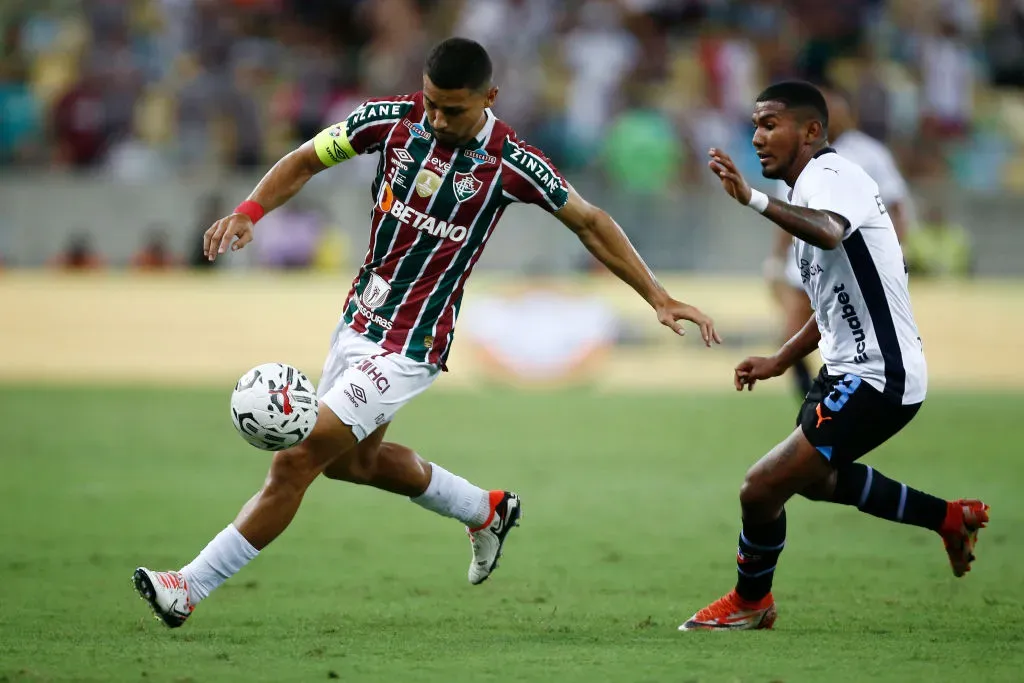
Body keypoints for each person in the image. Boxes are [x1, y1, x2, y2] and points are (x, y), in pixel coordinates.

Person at [133, 38, 721, 628]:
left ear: (490, 97)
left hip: (410, 344)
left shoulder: (512, 163)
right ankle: (484, 510)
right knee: (351, 466)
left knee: (299, 460)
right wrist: (249, 210)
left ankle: (188, 586)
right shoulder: (390, 120)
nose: (438, 119)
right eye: (432, 103)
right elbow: (307, 158)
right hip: (358, 322)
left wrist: (658, 296)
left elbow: (590, 222)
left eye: (454, 110)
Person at [680, 82, 988, 631]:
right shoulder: (807, 193)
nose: (757, 137)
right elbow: (830, 308)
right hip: (850, 371)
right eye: (755, 125)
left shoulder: (832, 174)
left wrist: (751, 198)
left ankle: (752, 603)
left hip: (879, 376)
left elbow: (830, 233)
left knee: (760, 488)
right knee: (815, 480)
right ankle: (948, 518)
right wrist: (780, 360)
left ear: (812, 131)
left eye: (770, 124)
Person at [766, 84, 913, 399]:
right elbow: (787, 213)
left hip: (856, 263)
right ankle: (811, 396)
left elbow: (895, 206)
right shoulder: (797, 154)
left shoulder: (869, 154)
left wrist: (898, 248)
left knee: (849, 337)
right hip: (808, 262)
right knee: (790, 333)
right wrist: (776, 258)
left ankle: (842, 396)